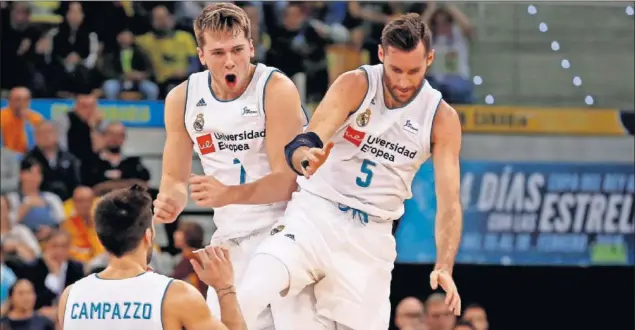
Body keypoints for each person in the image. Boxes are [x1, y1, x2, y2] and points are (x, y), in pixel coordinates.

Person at [235, 13, 463, 330]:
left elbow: (449, 202)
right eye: (395, 69)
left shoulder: (442, 119)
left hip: (371, 237)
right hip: (315, 216)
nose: (402, 81)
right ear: (381, 55)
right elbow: (305, 142)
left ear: (430, 59)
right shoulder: (356, 84)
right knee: (251, 289)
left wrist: (444, 264)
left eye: (414, 70)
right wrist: (305, 158)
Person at [151, 3, 315, 329]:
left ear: (251, 48)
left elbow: (287, 182)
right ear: (201, 55)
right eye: (218, 52)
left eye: (238, 49)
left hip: (289, 229)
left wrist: (228, 193)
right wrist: (170, 200)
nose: (229, 61)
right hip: (232, 238)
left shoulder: (275, 89)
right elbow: (173, 178)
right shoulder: (182, 100)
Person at [57, 185, 247, 330]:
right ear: (148, 236)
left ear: (101, 238)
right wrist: (225, 289)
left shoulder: (70, 296)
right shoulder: (176, 295)